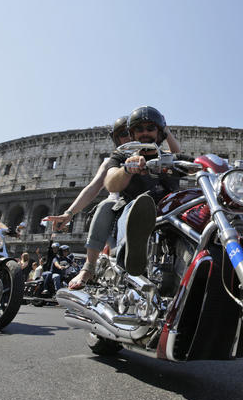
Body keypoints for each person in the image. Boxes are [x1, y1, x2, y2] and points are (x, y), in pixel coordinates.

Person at [45, 115, 181, 290]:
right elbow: (93, 187)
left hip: (157, 205)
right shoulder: (116, 159)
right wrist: (69, 213)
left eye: (128, 133)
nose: (126, 138)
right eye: (122, 134)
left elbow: (176, 157)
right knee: (106, 206)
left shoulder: (157, 154)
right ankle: (90, 267)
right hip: (121, 206)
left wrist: (166, 130)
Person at [100, 106, 182, 278]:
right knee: (136, 207)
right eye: (139, 129)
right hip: (132, 209)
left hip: (170, 214)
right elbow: (110, 183)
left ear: (160, 132)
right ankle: (129, 253)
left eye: (150, 128)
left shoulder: (172, 159)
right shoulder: (121, 156)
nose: (145, 132)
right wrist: (127, 170)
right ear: (132, 134)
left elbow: (203, 164)